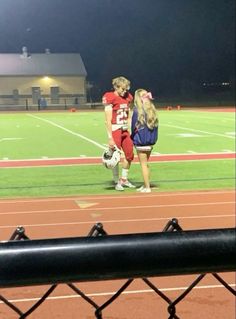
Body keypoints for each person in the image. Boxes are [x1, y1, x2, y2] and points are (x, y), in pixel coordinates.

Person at [102, 76, 135, 191]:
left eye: (126, 89)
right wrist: (110, 137)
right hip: (115, 129)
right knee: (115, 157)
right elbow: (108, 120)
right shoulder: (110, 97)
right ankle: (116, 181)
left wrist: (130, 127)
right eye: (122, 89)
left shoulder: (128, 97)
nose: (125, 91)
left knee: (130, 155)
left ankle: (124, 179)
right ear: (116, 87)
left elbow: (130, 112)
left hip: (125, 129)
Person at [131, 89, 159, 193]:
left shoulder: (137, 110)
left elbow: (134, 127)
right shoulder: (152, 109)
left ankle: (147, 187)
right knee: (146, 164)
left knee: (143, 164)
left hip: (141, 141)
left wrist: (132, 138)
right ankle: (145, 185)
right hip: (150, 141)